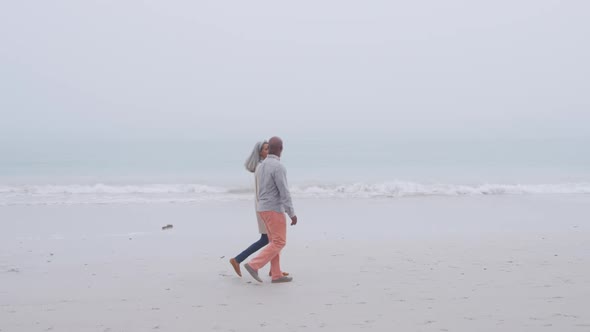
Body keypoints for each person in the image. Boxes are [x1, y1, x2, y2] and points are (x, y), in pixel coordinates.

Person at [229, 141, 289, 278]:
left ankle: (275, 271)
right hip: (264, 208)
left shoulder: (264, 166)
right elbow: (260, 192)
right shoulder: (261, 168)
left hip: (263, 207)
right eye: (266, 149)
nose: (269, 151)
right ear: (260, 152)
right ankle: (239, 260)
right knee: (269, 240)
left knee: (270, 240)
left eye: (270, 148)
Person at [244, 136, 298, 283]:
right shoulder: (278, 167)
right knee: (279, 242)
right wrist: (291, 213)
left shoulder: (260, 166)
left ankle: (276, 274)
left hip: (262, 208)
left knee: (274, 241)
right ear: (281, 149)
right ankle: (254, 265)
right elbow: (284, 192)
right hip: (274, 209)